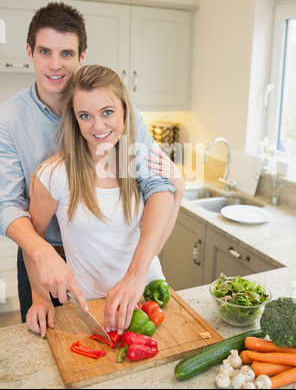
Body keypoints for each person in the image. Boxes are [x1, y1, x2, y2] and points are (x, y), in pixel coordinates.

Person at [0, 2, 184, 331]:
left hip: (104, 255)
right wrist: (41, 257)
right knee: (49, 340)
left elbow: (156, 183)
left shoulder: (114, 110)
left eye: (67, 53)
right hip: (40, 251)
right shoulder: (10, 118)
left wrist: (138, 271)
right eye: (45, 51)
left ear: (82, 55)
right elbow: (7, 203)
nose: (55, 65)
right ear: (30, 51)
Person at [25, 64, 183, 336]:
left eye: (107, 112)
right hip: (93, 307)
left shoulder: (140, 162)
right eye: (85, 115)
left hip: (149, 299)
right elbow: (33, 244)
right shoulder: (53, 174)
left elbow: (156, 243)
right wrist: (39, 298)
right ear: (74, 119)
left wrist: (178, 193)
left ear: (125, 109)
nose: (98, 126)